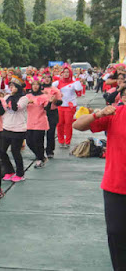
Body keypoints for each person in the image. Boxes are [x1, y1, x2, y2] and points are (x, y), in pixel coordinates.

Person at [73, 105, 126, 270]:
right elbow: (78, 125)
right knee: (117, 234)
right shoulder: (117, 112)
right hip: (116, 185)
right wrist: (98, 114)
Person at [1, 75, 29, 182]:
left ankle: (20, 174)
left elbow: (15, 108)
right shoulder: (6, 97)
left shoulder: (24, 98)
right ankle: (9, 171)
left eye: (13, 86)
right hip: (6, 126)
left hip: (18, 128)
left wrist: (12, 96)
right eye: (10, 86)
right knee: (2, 151)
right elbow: (2, 108)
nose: (11, 88)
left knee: (15, 151)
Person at [52, 66, 83, 148]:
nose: (65, 74)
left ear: (70, 73)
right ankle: (61, 141)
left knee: (68, 124)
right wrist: (57, 93)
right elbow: (50, 88)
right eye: (64, 72)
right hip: (60, 106)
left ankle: (68, 141)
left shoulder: (73, 82)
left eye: (67, 72)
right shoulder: (58, 82)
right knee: (59, 124)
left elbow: (78, 88)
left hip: (70, 106)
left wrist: (76, 79)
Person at [25, 81, 52, 168]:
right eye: (33, 85)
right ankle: (41, 156)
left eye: (37, 84)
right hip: (30, 122)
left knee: (38, 141)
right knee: (29, 141)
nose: (35, 86)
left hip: (40, 121)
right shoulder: (27, 96)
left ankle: (39, 159)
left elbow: (47, 108)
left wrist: (50, 102)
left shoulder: (44, 96)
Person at [42, 75, 63, 158]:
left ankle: (50, 150)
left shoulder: (55, 90)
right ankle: (40, 150)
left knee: (50, 133)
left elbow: (60, 102)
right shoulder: (40, 89)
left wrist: (54, 100)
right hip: (41, 112)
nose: (46, 79)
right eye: (45, 78)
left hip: (52, 112)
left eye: (48, 78)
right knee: (40, 133)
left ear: (51, 80)